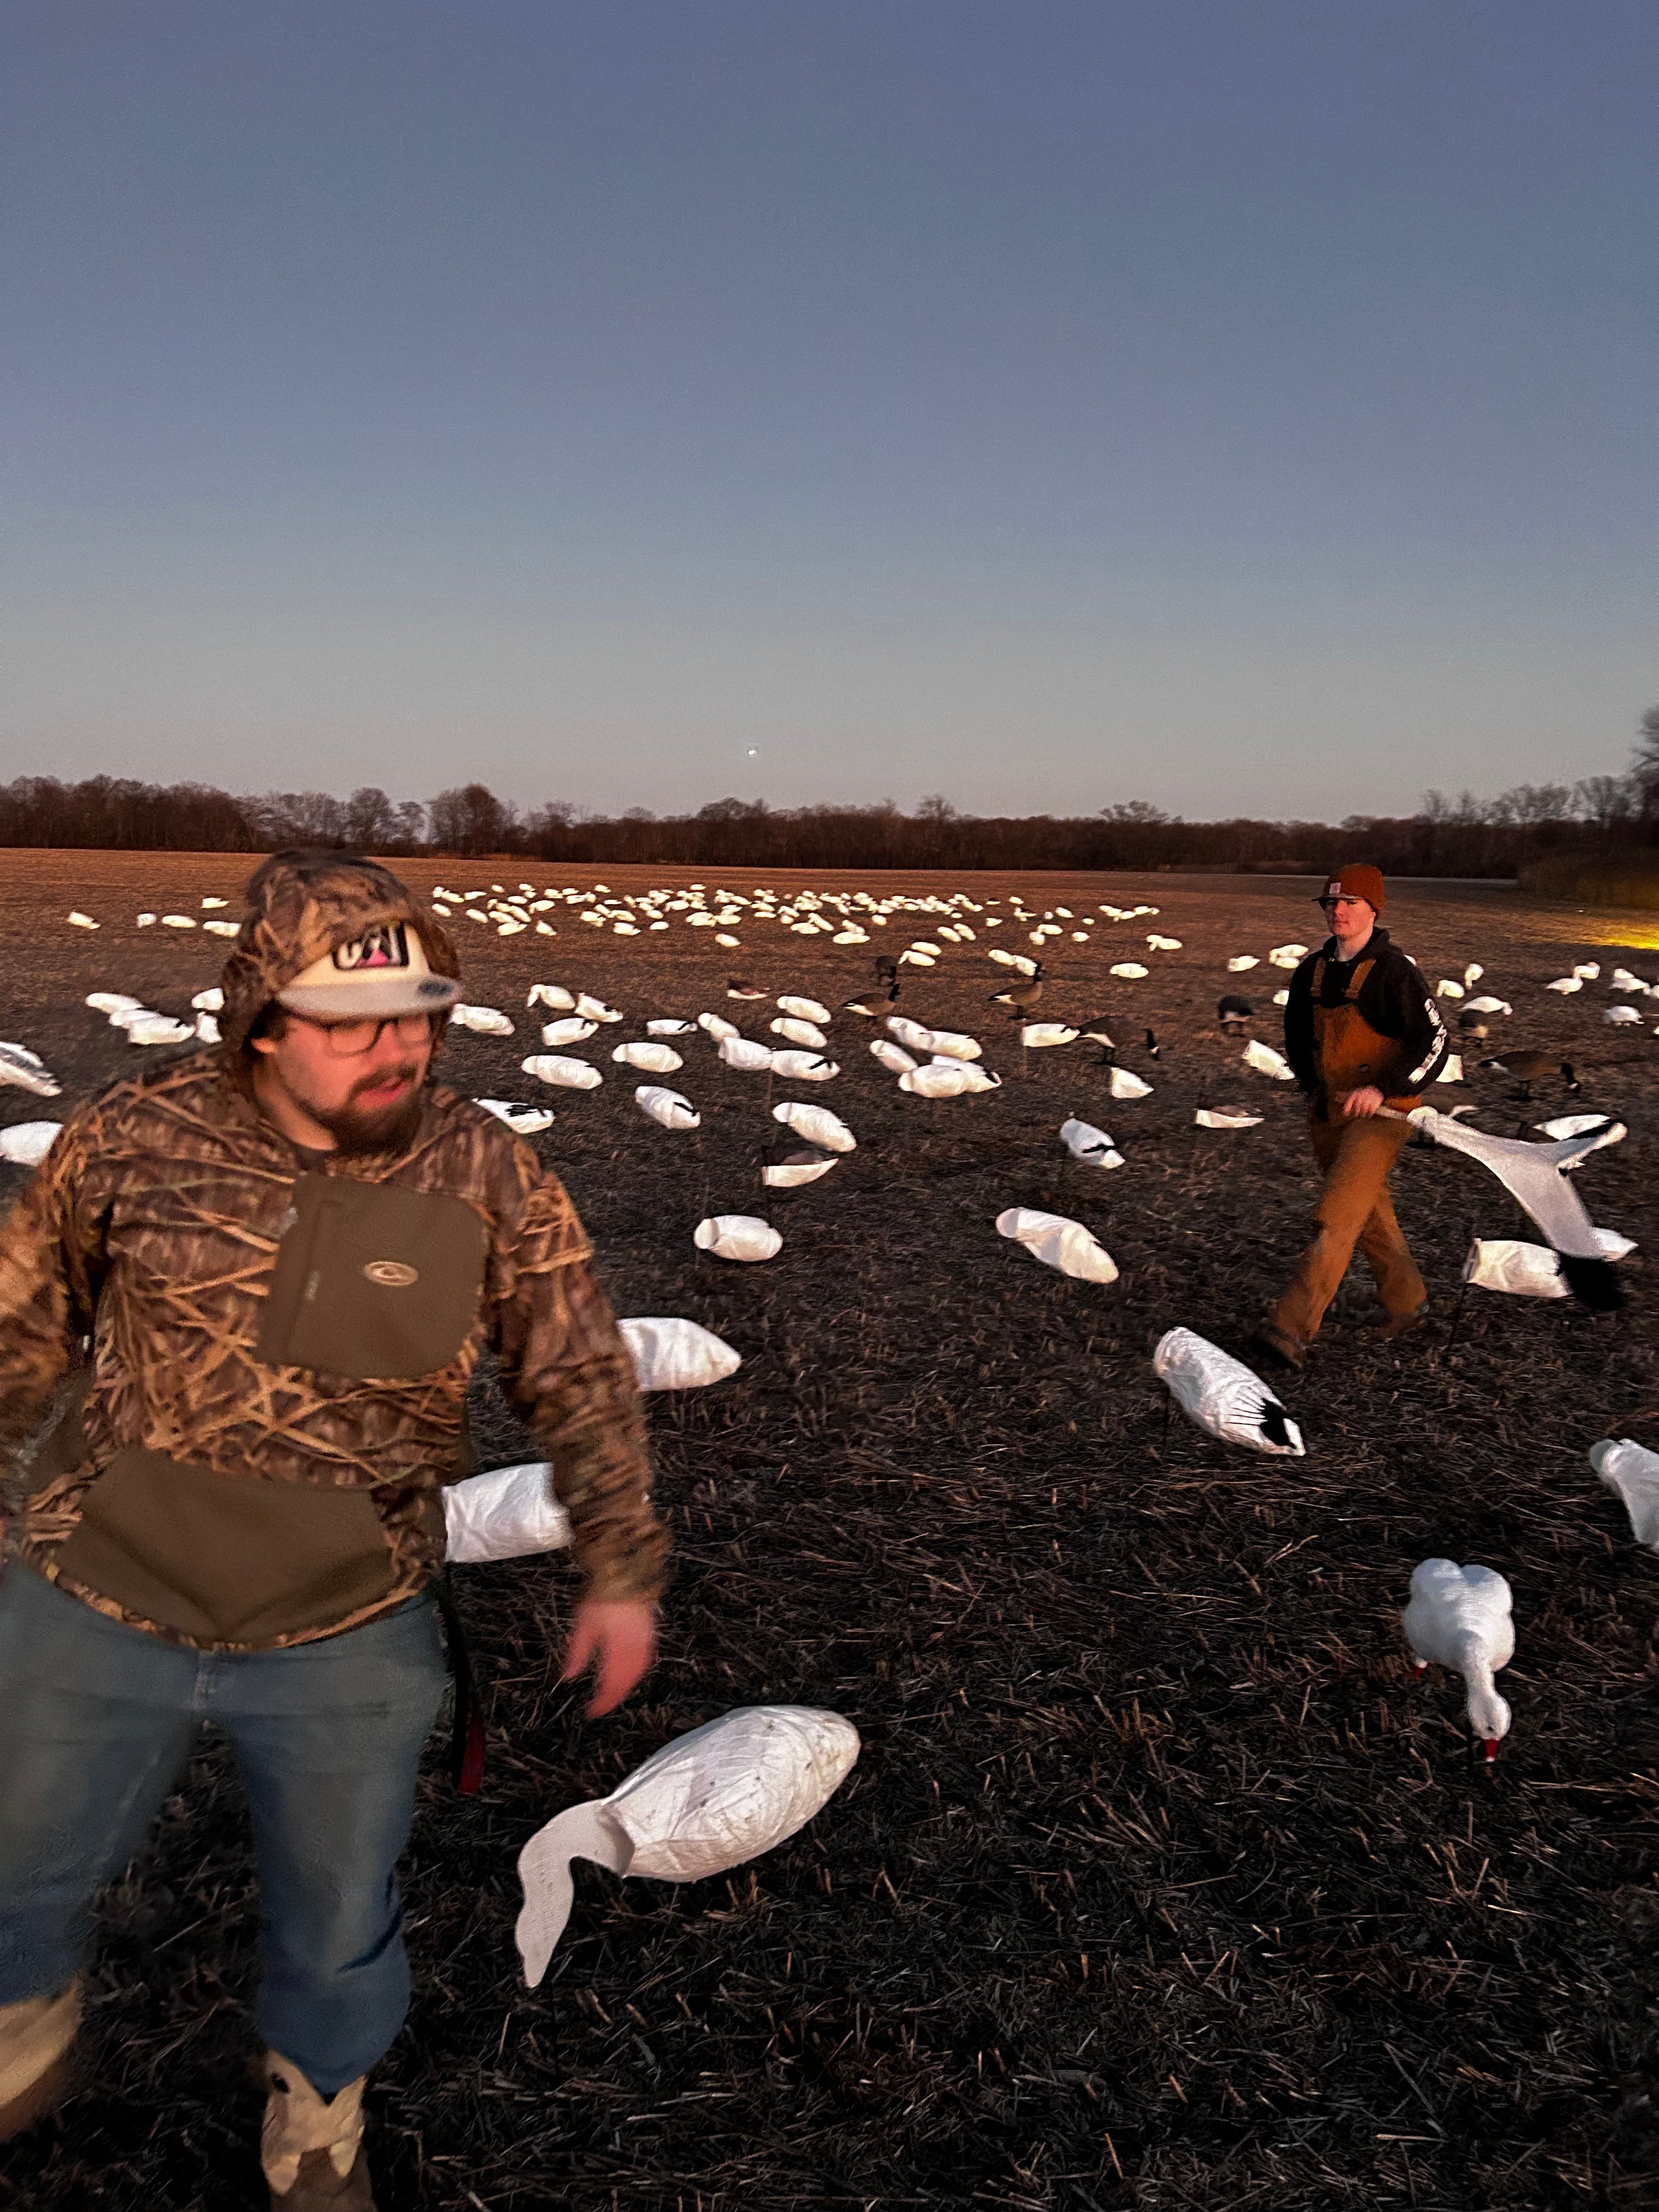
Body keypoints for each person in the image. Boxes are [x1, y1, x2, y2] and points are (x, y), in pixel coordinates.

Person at [0, 850, 669, 2208]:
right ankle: (18, 2021)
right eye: (355, 1021)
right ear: (260, 1023)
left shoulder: (485, 1170)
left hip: (346, 1621)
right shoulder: (131, 1134)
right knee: (19, 1852)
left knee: (339, 1908)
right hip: (94, 1592)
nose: (401, 1047)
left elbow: (578, 1366)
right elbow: (22, 1328)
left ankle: (317, 2104)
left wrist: (619, 1563)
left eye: (423, 1014)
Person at [1257, 864, 1448, 1370]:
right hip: (1329, 1111)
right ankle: (1410, 1304)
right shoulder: (1312, 971)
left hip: (1382, 1112)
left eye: (1351, 904)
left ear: (1374, 910)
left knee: (1336, 1218)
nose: (1338, 912)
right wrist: (1312, 1087)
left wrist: (1383, 1088)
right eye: (1331, 903)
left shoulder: (1394, 972)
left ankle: (1290, 1329)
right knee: (1368, 1214)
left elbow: (1436, 1041)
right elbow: (1298, 1037)